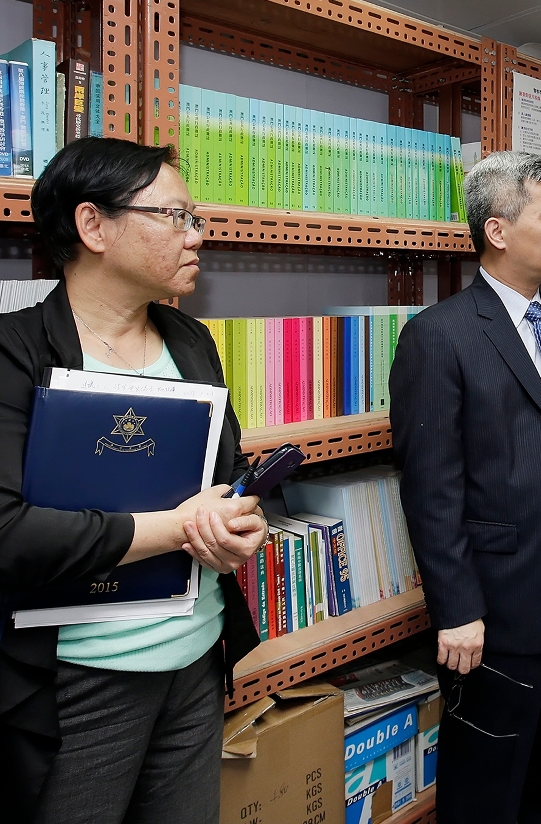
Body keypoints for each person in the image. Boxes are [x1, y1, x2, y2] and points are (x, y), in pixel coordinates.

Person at [0, 137, 267, 822]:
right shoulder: (14, 351)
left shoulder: (191, 341)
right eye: (175, 216)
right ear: (93, 226)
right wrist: (181, 527)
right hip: (74, 685)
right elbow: (10, 535)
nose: (197, 234)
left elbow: (229, 476)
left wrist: (239, 521)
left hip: (197, 658)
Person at [389, 151, 541, 824]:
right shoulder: (437, 337)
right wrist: (457, 608)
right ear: (497, 231)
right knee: (489, 769)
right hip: (500, 591)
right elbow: (430, 489)